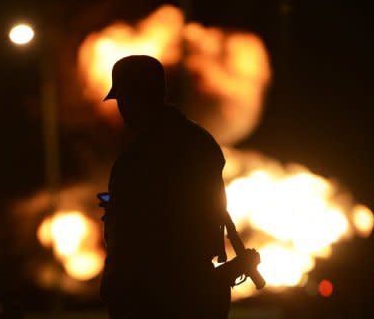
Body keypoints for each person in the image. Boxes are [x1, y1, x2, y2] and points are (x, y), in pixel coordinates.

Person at [100, 55, 259, 318]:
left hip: (152, 296)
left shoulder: (138, 155)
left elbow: (131, 235)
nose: (122, 109)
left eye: (124, 100)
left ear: (134, 98)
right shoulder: (200, 142)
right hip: (200, 289)